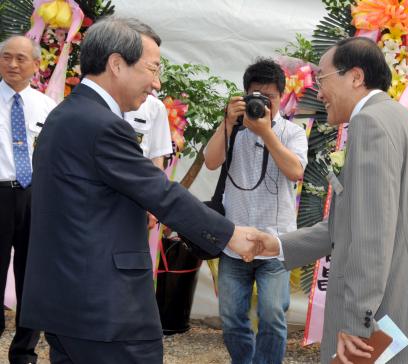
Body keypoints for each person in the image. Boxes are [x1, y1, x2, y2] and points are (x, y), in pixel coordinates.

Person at [19, 17, 259, 364]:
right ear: (116, 64)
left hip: (70, 303)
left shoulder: (67, 115)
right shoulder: (101, 125)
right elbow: (159, 193)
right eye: (152, 68)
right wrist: (231, 235)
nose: (157, 83)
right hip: (104, 310)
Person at [251, 37, 408, 364]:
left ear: (356, 77)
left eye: (322, 79)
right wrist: (276, 245)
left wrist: (357, 321)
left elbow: (372, 234)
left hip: (381, 319)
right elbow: (352, 223)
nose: (318, 92)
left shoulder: (370, 123)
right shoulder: (403, 121)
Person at [204, 58, 308, 363]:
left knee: (273, 315)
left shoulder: (292, 133)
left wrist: (266, 132)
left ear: (281, 98)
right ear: (244, 95)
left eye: (270, 98)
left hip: (276, 243)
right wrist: (227, 123)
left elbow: (295, 172)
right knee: (232, 316)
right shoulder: (234, 129)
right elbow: (210, 162)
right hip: (235, 241)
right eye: (256, 97)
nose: (263, 104)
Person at [0, 35, 56, 364]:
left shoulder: (47, 107)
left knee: (32, 276)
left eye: (21, 58)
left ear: (35, 65)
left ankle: (24, 351)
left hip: (36, 196)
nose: (13, 64)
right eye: (6, 57)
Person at [124, 94, 173, 228]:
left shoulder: (155, 107)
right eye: (152, 71)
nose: (157, 83)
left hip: (136, 199)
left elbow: (157, 159)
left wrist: (155, 204)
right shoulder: (101, 100)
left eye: (157, 72)